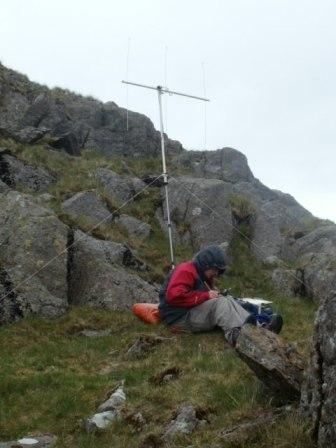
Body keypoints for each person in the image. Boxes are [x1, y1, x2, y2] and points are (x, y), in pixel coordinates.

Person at [159, 245, 282, 346]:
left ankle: (258, 327)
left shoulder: (201, 274)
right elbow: (174, 296)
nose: (216, 273)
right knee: (221, 303)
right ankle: (236, 337)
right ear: (205, 264)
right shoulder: (186, 270)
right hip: (178, 318)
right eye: (214, 269)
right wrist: (206, 296)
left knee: (225, 299)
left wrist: (211, 295)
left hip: (188, 312)